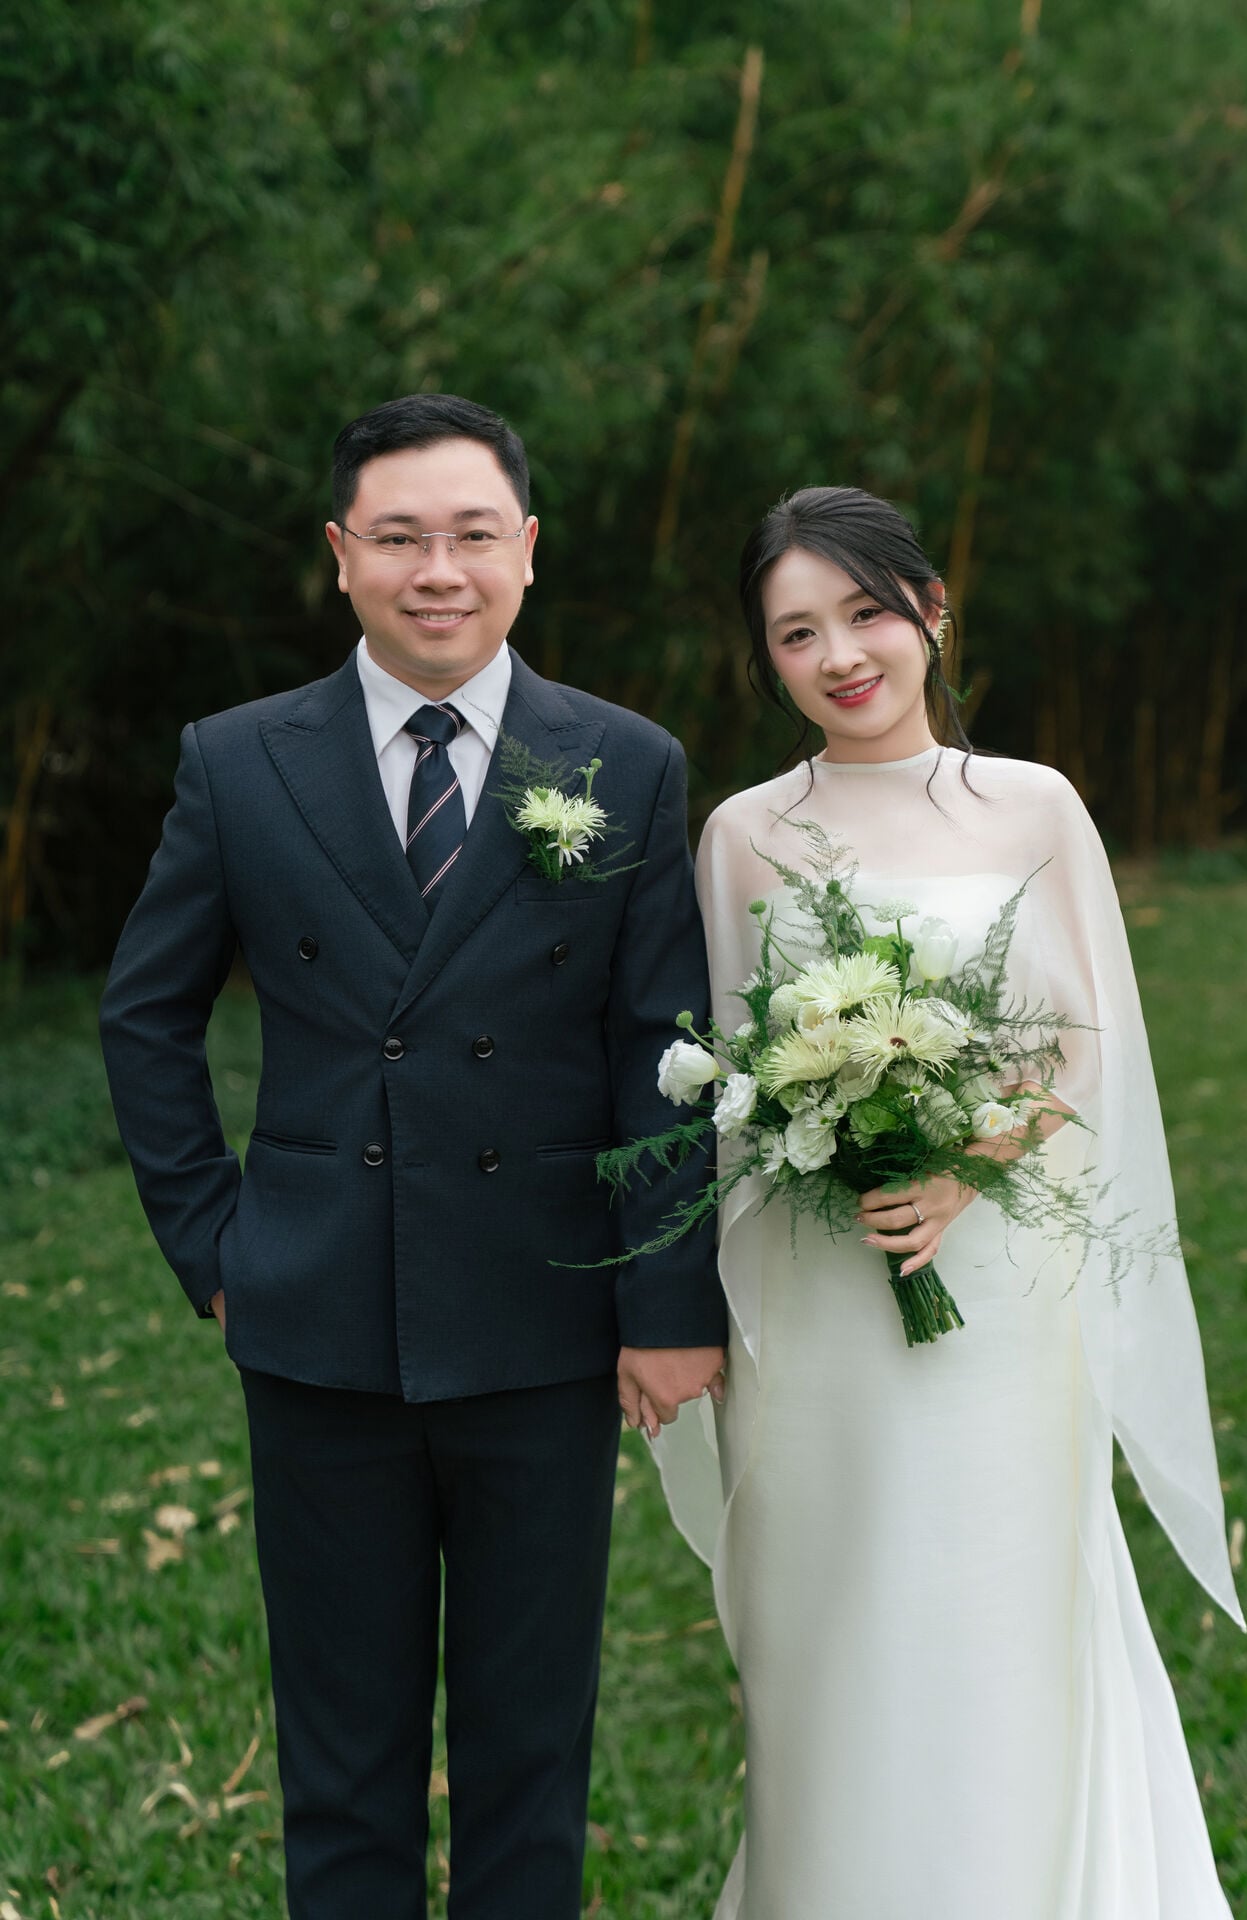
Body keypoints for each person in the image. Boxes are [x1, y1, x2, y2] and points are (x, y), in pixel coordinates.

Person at [99, 393, 727, 1920]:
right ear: (341, 555)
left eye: (469, 535)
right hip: (315, 1320)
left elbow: (665, 1050)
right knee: (342, 1762)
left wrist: (665, 1304)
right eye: (398, 538)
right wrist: (214, 1248)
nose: (436, 570)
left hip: (544, 1318)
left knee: (530, 1756)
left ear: (528, 549)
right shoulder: (239, 761)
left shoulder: (627, 762)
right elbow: (144, 1014)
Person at [655, 486, 1243, 1918]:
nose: (840, 655)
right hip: (814, 1297)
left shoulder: (1031, 804)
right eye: (797, 633)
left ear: (932, 612)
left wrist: (963, 1172)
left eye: (865, 613)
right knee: (832, 1624)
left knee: (988, 1611)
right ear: (767, 660)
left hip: (995, 1297)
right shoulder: (743, 833)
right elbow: (720, 1072)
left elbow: (1086, 1046)